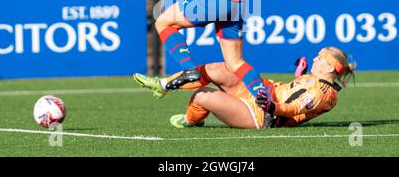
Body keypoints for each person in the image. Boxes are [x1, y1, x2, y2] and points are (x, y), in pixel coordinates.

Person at [133, 47, 356, 129]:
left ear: (329, 66)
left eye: (320, 57)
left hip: (262, 114)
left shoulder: (323, 93)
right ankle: (163, 84)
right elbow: (294, 91)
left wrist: (270, 107)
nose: (315, 59)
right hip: (263, 91)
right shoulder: (316, 82)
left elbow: (292, 109)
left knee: (201, 95)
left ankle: (190, 121)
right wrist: (298, 74)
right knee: (219, 68)